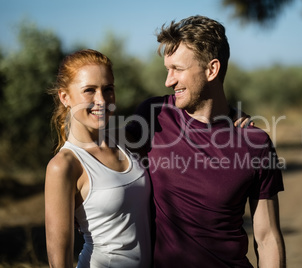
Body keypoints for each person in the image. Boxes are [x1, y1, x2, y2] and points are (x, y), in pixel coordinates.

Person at [127, 15, 286, 267]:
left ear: (212, 69)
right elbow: (101, 151)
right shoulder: (153, 115)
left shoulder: (255, 143)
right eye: (167, 69)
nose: (168, 81)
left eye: (178, 69)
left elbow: (267, 237)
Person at [45, 49, 152, 268]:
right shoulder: (64, 165)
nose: (101, 100)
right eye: (89, 91)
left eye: (108, 89)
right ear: (65, 97)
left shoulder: (126, 139)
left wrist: (234, 117)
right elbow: (60, 256)